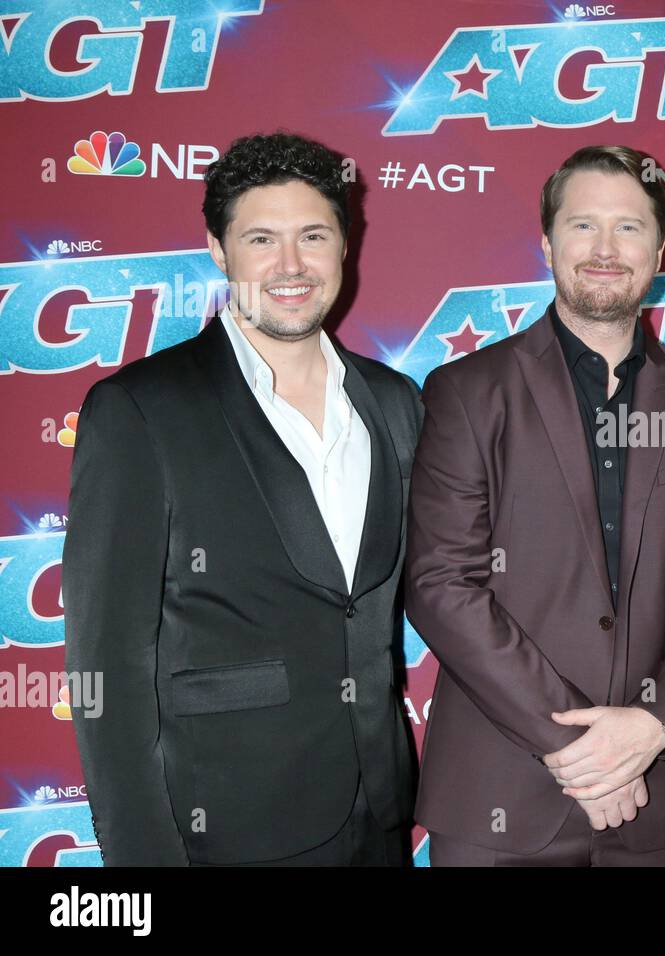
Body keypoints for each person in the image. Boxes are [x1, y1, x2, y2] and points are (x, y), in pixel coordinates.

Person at [63, 132, 422, 865]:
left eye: (313, 235)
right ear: (219, 250)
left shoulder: (394, 403)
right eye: (262, 238)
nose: (291, 265)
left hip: (380, 810)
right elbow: (107, 664)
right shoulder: (141, 410)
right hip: (226, 827)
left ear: (344, 246)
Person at [405, 145, 665, 866]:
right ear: (546, 241)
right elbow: (441, 585)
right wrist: (577, 747)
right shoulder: (467, 393)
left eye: (628, 228)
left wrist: (653, 727)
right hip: (499, 795)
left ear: (659, 250)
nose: (604, 249)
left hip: (663, 800)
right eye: (582, 225)